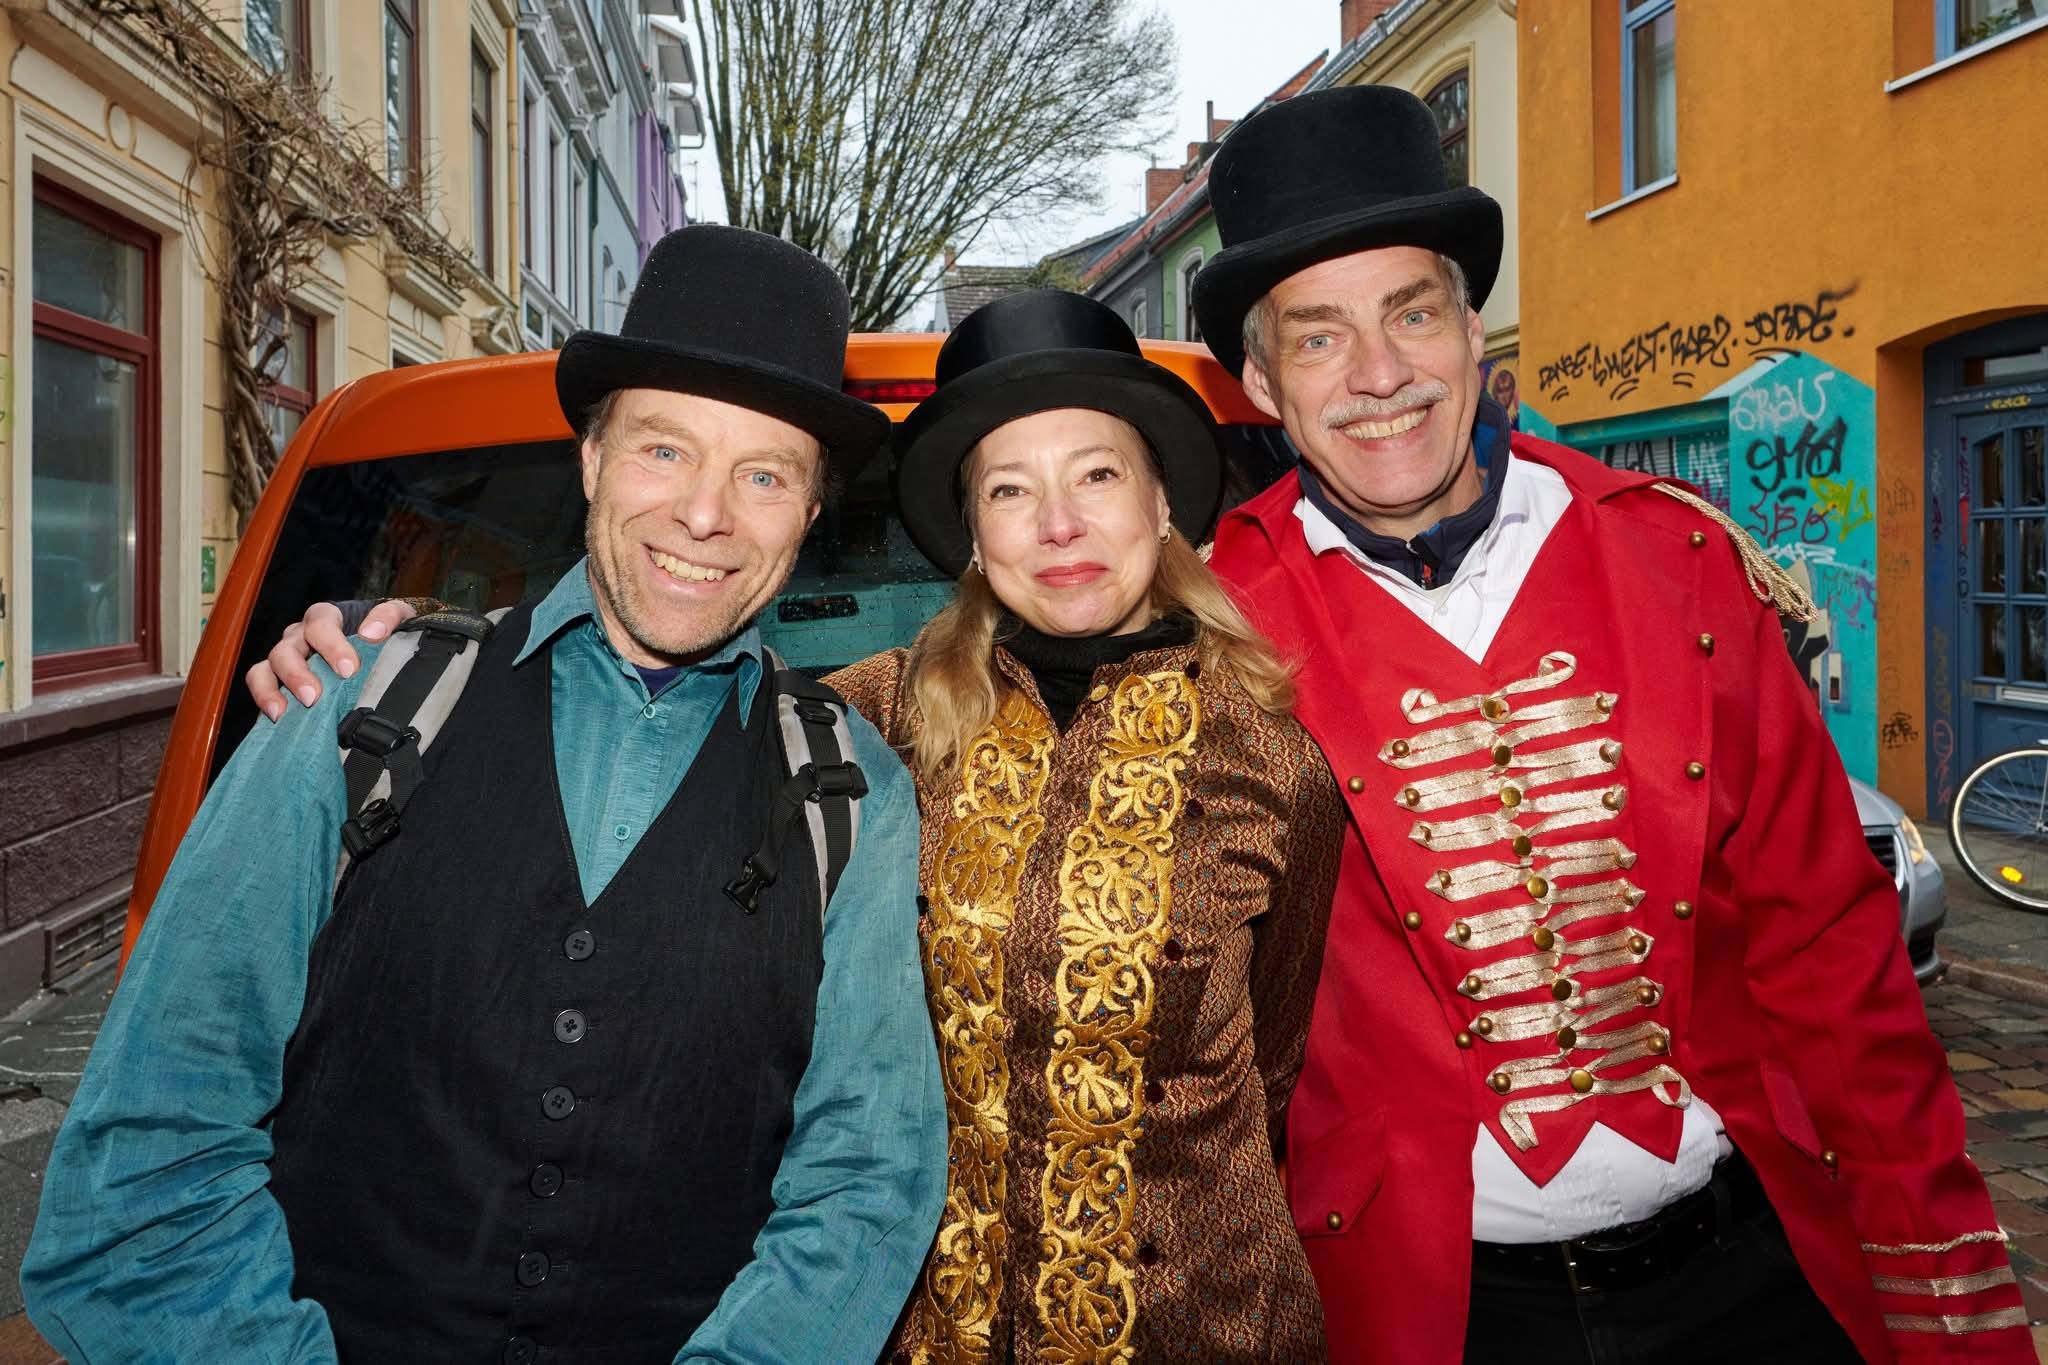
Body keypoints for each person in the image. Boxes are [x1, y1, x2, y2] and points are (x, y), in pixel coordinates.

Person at [256, 289, 1343, 1362]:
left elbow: (1276, 1072)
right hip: (922, 1332)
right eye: (1010, 489)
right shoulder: (869, 723)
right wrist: (376, 634)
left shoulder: (1274, 759)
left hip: (1208, 1326)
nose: (1058, 525)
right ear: (973, 533)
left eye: (1097, 475)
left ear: (1161, 500)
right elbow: (647, 693)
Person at [1184, 86, 2030, 1362]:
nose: (1379, 375)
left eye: (1411, 313)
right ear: (1259, 381)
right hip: (1430, 1314)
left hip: (1742, 1276)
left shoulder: (1678, 563)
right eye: (1317, 337)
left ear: (1471, 332)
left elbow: (1830, 955)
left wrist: (1945, 1303)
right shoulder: (1208, 630)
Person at [21, 225, 946, 1364]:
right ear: (592, 458)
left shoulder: (853, 793)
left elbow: (865, 1181)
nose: (705, 513)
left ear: (808, 514)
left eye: (764, 475)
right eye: (664, 449)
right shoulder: (353, 700)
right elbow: (153, 1151)